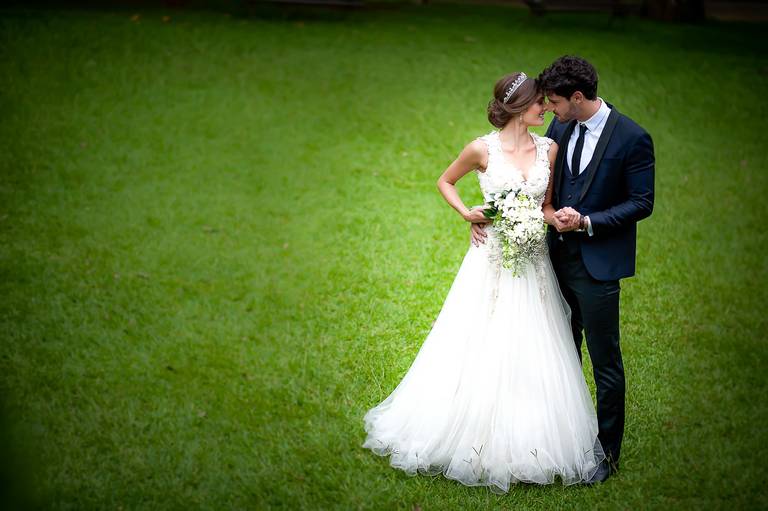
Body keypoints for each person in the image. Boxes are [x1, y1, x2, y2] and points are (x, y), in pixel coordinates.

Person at [362, 72, 605, 493]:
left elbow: (543, 205)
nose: (545, 108)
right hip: (490, 261)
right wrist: (468, 214)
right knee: (480, 339)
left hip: (533, 263)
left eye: (546, 103)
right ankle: (472, 431)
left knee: (535, 344)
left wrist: (556, 219)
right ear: (516, 106)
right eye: (537, 103)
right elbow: (445, 181)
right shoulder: (481, 149)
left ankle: (531, 435)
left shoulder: (550, 148)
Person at [472, 56, 655, 482]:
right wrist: (489, 217)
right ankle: (558, 442)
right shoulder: (559, 128)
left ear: (577, 97)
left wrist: (589, 221)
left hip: (598, 266)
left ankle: (606, 456)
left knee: (605, 361)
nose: (548, 109)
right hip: (549, 258)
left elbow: (642, 202)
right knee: (555, 352)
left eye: (554, 102)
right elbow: (535, 192)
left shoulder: (632, 138)